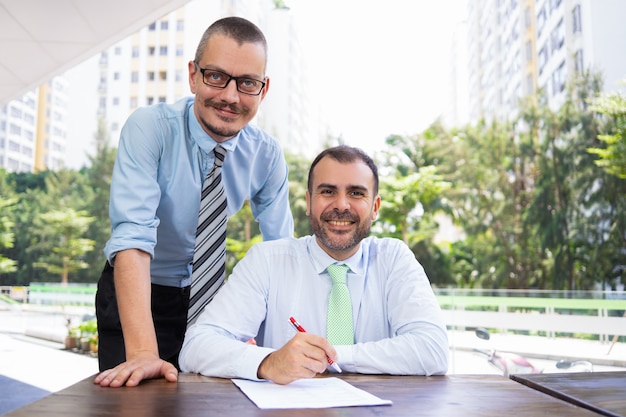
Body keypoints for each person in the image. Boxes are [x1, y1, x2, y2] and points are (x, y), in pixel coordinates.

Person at [93, 16, 294, 388]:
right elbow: (133, 238)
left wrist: (273, 340)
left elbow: (282, 254)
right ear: (193, 75)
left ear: (263, 90)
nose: (230, 97)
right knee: (140, 402)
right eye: (216, 76)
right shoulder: (149, 128)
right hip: (141, 292)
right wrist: (142, 353)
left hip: (213, 303)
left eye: (247, 83)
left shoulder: (266, 155)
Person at [179, 145, 448, 385]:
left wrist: (330, 356)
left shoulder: (394, 259)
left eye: (356, 193)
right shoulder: (266, 261)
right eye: (328, 191)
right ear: (308, 202)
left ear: (375, 207)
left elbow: (432, 351)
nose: (341, 205)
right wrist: (268, 362)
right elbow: (196, 347)